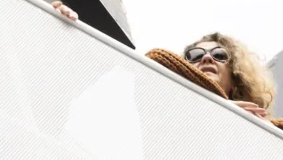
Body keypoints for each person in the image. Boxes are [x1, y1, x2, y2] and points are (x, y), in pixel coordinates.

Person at [53, 8, 282, 127]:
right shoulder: (166, 102)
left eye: (219, 55)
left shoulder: (259, 123)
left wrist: (256, 128)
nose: (206, 59)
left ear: (236, 76)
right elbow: (157, 57)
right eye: (195, 55)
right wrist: (58, 27)